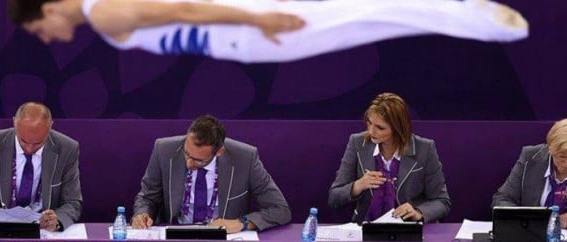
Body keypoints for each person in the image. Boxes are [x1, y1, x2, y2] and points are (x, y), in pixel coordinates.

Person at [8, 0, 528, 63]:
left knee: (359, 16)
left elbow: (182, 7)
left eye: (39, 29)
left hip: (240, 35)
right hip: (238, 9)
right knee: (360, 19)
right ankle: (470, 18)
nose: (49, 38)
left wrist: (257, 20)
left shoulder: (104, 14)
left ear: (49, 7)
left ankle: (474, 17)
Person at [131, 115, 291, 233]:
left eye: (198, 160)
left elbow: (280, 210)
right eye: (187, 153)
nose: (189, 162)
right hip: (176, 234)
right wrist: (142, 214)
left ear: (219, 152)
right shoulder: (164, 149)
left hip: (222, 237)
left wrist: (241, 223)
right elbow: (147, 197)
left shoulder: (245, 158)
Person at [329, 93, 451, 223]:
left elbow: (442, 202)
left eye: (380, 128)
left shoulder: (424, 149)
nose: (371, 132)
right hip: (366, 228)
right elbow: (334, 197)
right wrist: (358, 185)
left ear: (398, 128)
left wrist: (418, 212)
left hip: (408, 229)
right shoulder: (357, 143)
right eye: (369, 123)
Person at [0, 102, 82, 231]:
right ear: (14, 122)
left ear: (50, 126)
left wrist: (57, 220)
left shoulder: (67, 148)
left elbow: (73, 202)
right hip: (1, 228)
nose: (29, 148)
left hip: (43, 230)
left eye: (38, 143)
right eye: (23, 141)